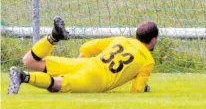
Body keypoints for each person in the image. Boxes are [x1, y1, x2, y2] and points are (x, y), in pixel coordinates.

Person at [8, 16, 159, 94]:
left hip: (87, 63)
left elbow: (87, 46)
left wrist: (79, 62)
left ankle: (53, 37)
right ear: (153, 40)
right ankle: (22, 77)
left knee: (29, 61)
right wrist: (142, 86)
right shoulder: (148, 61)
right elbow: (136, 90)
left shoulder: (121, 39)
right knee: (58, 84)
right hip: (96, 78)